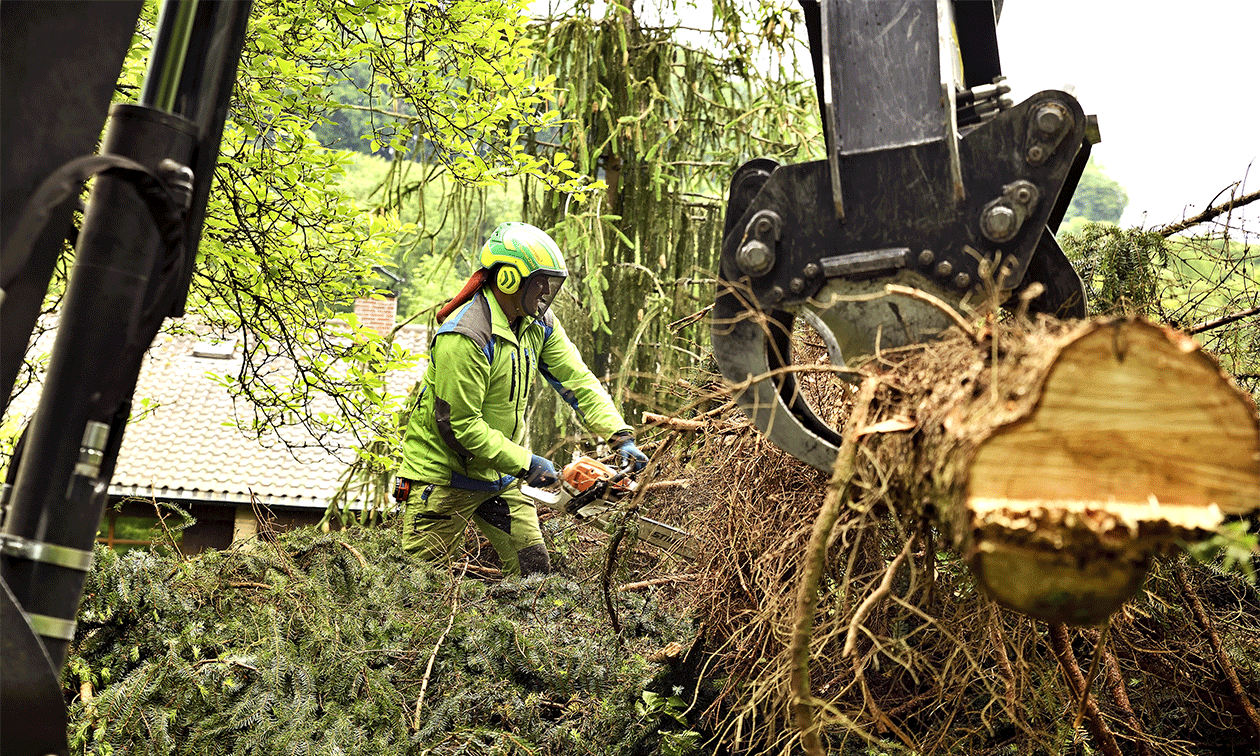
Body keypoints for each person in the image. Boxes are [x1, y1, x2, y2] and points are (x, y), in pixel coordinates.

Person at [394, 222, 648, 576]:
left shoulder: (537, 323)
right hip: (444, 478)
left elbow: (575, 378)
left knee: (534, 574)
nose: (546, 292)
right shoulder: (466, 336)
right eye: (540, 282)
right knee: (418, 587)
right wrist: (528, 462)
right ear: (509, 280)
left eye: (552, 284)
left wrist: (619, 435)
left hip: (500, 474)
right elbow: (460, 427)